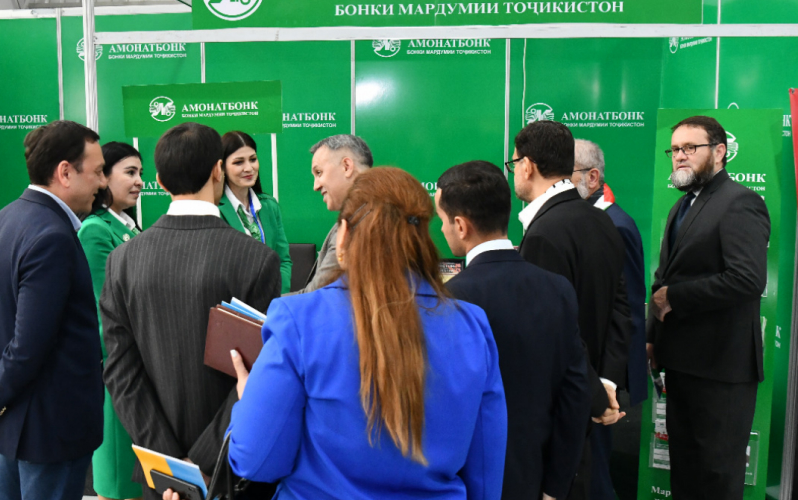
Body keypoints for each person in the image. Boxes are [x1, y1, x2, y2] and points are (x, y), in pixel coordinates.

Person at [223, 167, 508, 500]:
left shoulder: (297, 320)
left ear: (343, 233)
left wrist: (248, 401)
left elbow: (256, 462)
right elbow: (485, 474)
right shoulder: (472, 325)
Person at [99, 122, 281, 500]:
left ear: (161, 182)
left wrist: (172, 466)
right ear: (218, 171)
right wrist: (200, 463)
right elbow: (254, 372)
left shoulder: (122, 260)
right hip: (230, 469)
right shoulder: (256, 259)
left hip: (161, 477)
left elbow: (120, 371)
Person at [0, 120, 107, 500]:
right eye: (98, 171)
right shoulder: (53, 236)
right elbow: (29, 344)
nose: (103, 183)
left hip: (15, 417)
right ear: (65, 172)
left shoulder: (1, 220)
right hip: (50, 425)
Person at [437, 161, 591, 500]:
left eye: (443, 220)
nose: (442, 229)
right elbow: (575, 394)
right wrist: (555, 486)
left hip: (470, 483)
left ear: (460, 225)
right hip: (537, 479)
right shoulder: (558, 289)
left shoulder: (449, 301)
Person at [510, 120, 633, 499]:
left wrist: (595, 395)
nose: (513, 172)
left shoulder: (544, 233)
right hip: (588, 398)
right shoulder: (602, 218)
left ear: (528, 166)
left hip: (560, 408)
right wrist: (608, 382)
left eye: (513, 163)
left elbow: (557, 332)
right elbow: (621, 307)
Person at [649, 116, 769, 500]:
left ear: (719, 152)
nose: (679, 156)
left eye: (690, 148)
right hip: (681, 365)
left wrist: (676, 298)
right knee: (684, 475)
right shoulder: (680, 206)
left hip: (722, 371)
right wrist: (653, 337)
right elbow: (664, 279)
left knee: (717, 478)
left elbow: (747, 280)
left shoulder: (740, 201)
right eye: (674, 149)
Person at [571, 139, 648, 500]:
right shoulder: (585, 221)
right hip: (587, 369)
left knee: (595, 470)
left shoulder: (615, 224)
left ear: (593, 176)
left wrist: (607, 381)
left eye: (565, 173)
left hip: (603, 373)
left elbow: (625, 307)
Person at [77, 141, 145, 500]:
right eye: (130, 172)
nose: (139, 182)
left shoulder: (128, 226)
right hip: (117, 363)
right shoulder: (95, 230)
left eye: (141, 173)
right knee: (118, 476)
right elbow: (104, 309)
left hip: (138, 360)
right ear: (104, 178)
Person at [291, 134, 373, 294]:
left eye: (319, 172)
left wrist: (256, 305)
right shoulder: (371, 211)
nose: (315, 186)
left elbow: (317, 296)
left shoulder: (357, 223)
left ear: (346, 167)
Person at [218, 131, 292, 294]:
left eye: (252, 159)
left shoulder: (269, 206)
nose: (249, 168)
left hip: (272, 300)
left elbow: (283, 261)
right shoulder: (215, 210)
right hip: (233, 302)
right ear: (222, 167)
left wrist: (276, 296)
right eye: (239, 162)